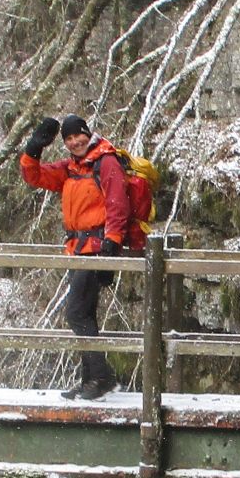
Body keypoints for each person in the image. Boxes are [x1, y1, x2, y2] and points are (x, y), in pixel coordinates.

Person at [18, 113, 144, 398]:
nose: (75, 142)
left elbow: (117, 202)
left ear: (89, 134)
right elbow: (33, 176)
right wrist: (34, 148)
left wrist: (112, 241)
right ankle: (90, 380)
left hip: (97, 248)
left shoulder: (106, 162)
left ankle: (101, 377)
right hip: (77, 250)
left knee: (75, 313)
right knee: (84, 313)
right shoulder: (71, 168)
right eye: (69, 138)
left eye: (79, 135)